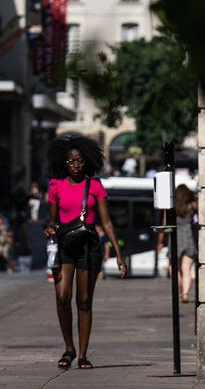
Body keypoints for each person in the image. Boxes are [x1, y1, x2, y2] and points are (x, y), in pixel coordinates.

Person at [43, 134, 127, 370]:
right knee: (62, 297)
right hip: (64, 246)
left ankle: (82, 354)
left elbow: (107, 222)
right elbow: (51, 220)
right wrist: (49, 228)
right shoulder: (55, 186)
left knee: (84, 300)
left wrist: (119, 254)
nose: (75, 165)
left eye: (79, 161)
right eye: (71, 162)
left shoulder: (96, 187)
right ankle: (68, 347)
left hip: (88, 248)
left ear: (87, 161)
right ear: (64, 163)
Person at [174, 186, 199, 303]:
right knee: (186, 268)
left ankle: (180, 292)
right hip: (189, 236)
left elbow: (165, 222)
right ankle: (185, 294)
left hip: (176, 236)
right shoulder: (190, 204)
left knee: (177, 268)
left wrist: (160, 240)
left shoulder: (173, 205)